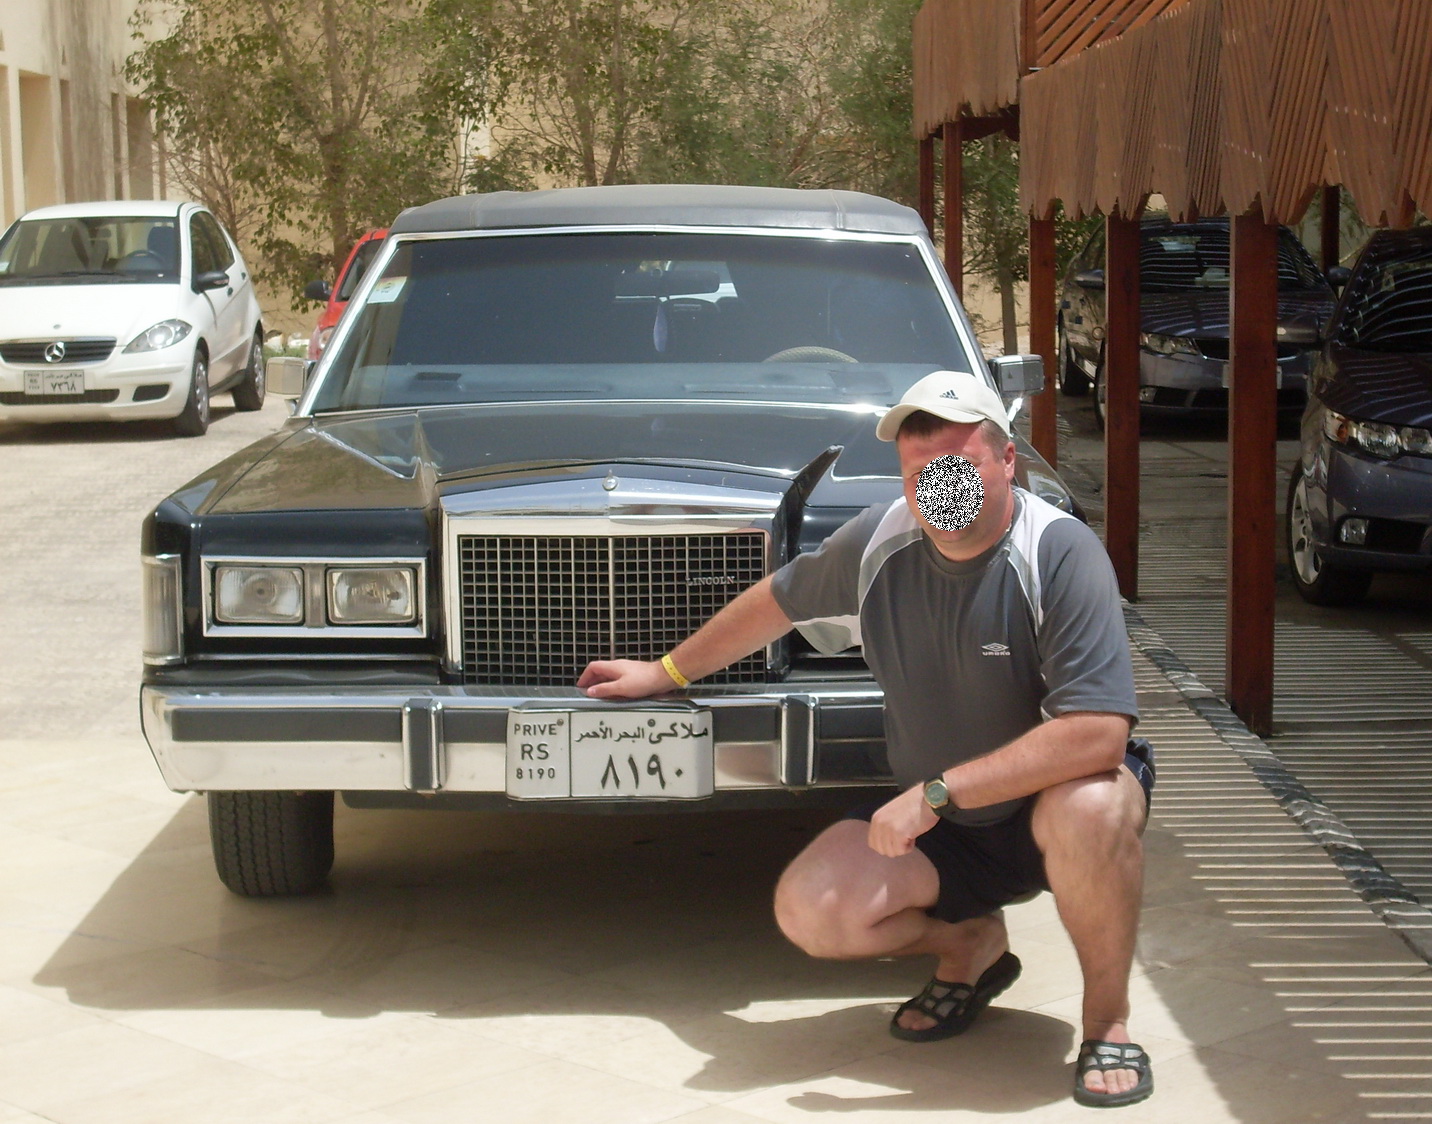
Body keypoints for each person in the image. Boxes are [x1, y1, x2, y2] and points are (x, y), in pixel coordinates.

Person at [577, 369, 1154, 1109]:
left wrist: (938, 792)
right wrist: (665, 671)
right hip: (946, 828)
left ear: (1008, 460)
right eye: (919, 471)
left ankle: (1108, 1022)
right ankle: (970, 947)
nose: (935, 486)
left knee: (1094, 807)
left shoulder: (1060, 552)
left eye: (957, 465)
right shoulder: (883, 539)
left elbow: (1097, 734)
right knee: (810, 909)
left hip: (1043, 806)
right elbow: (774, 604)